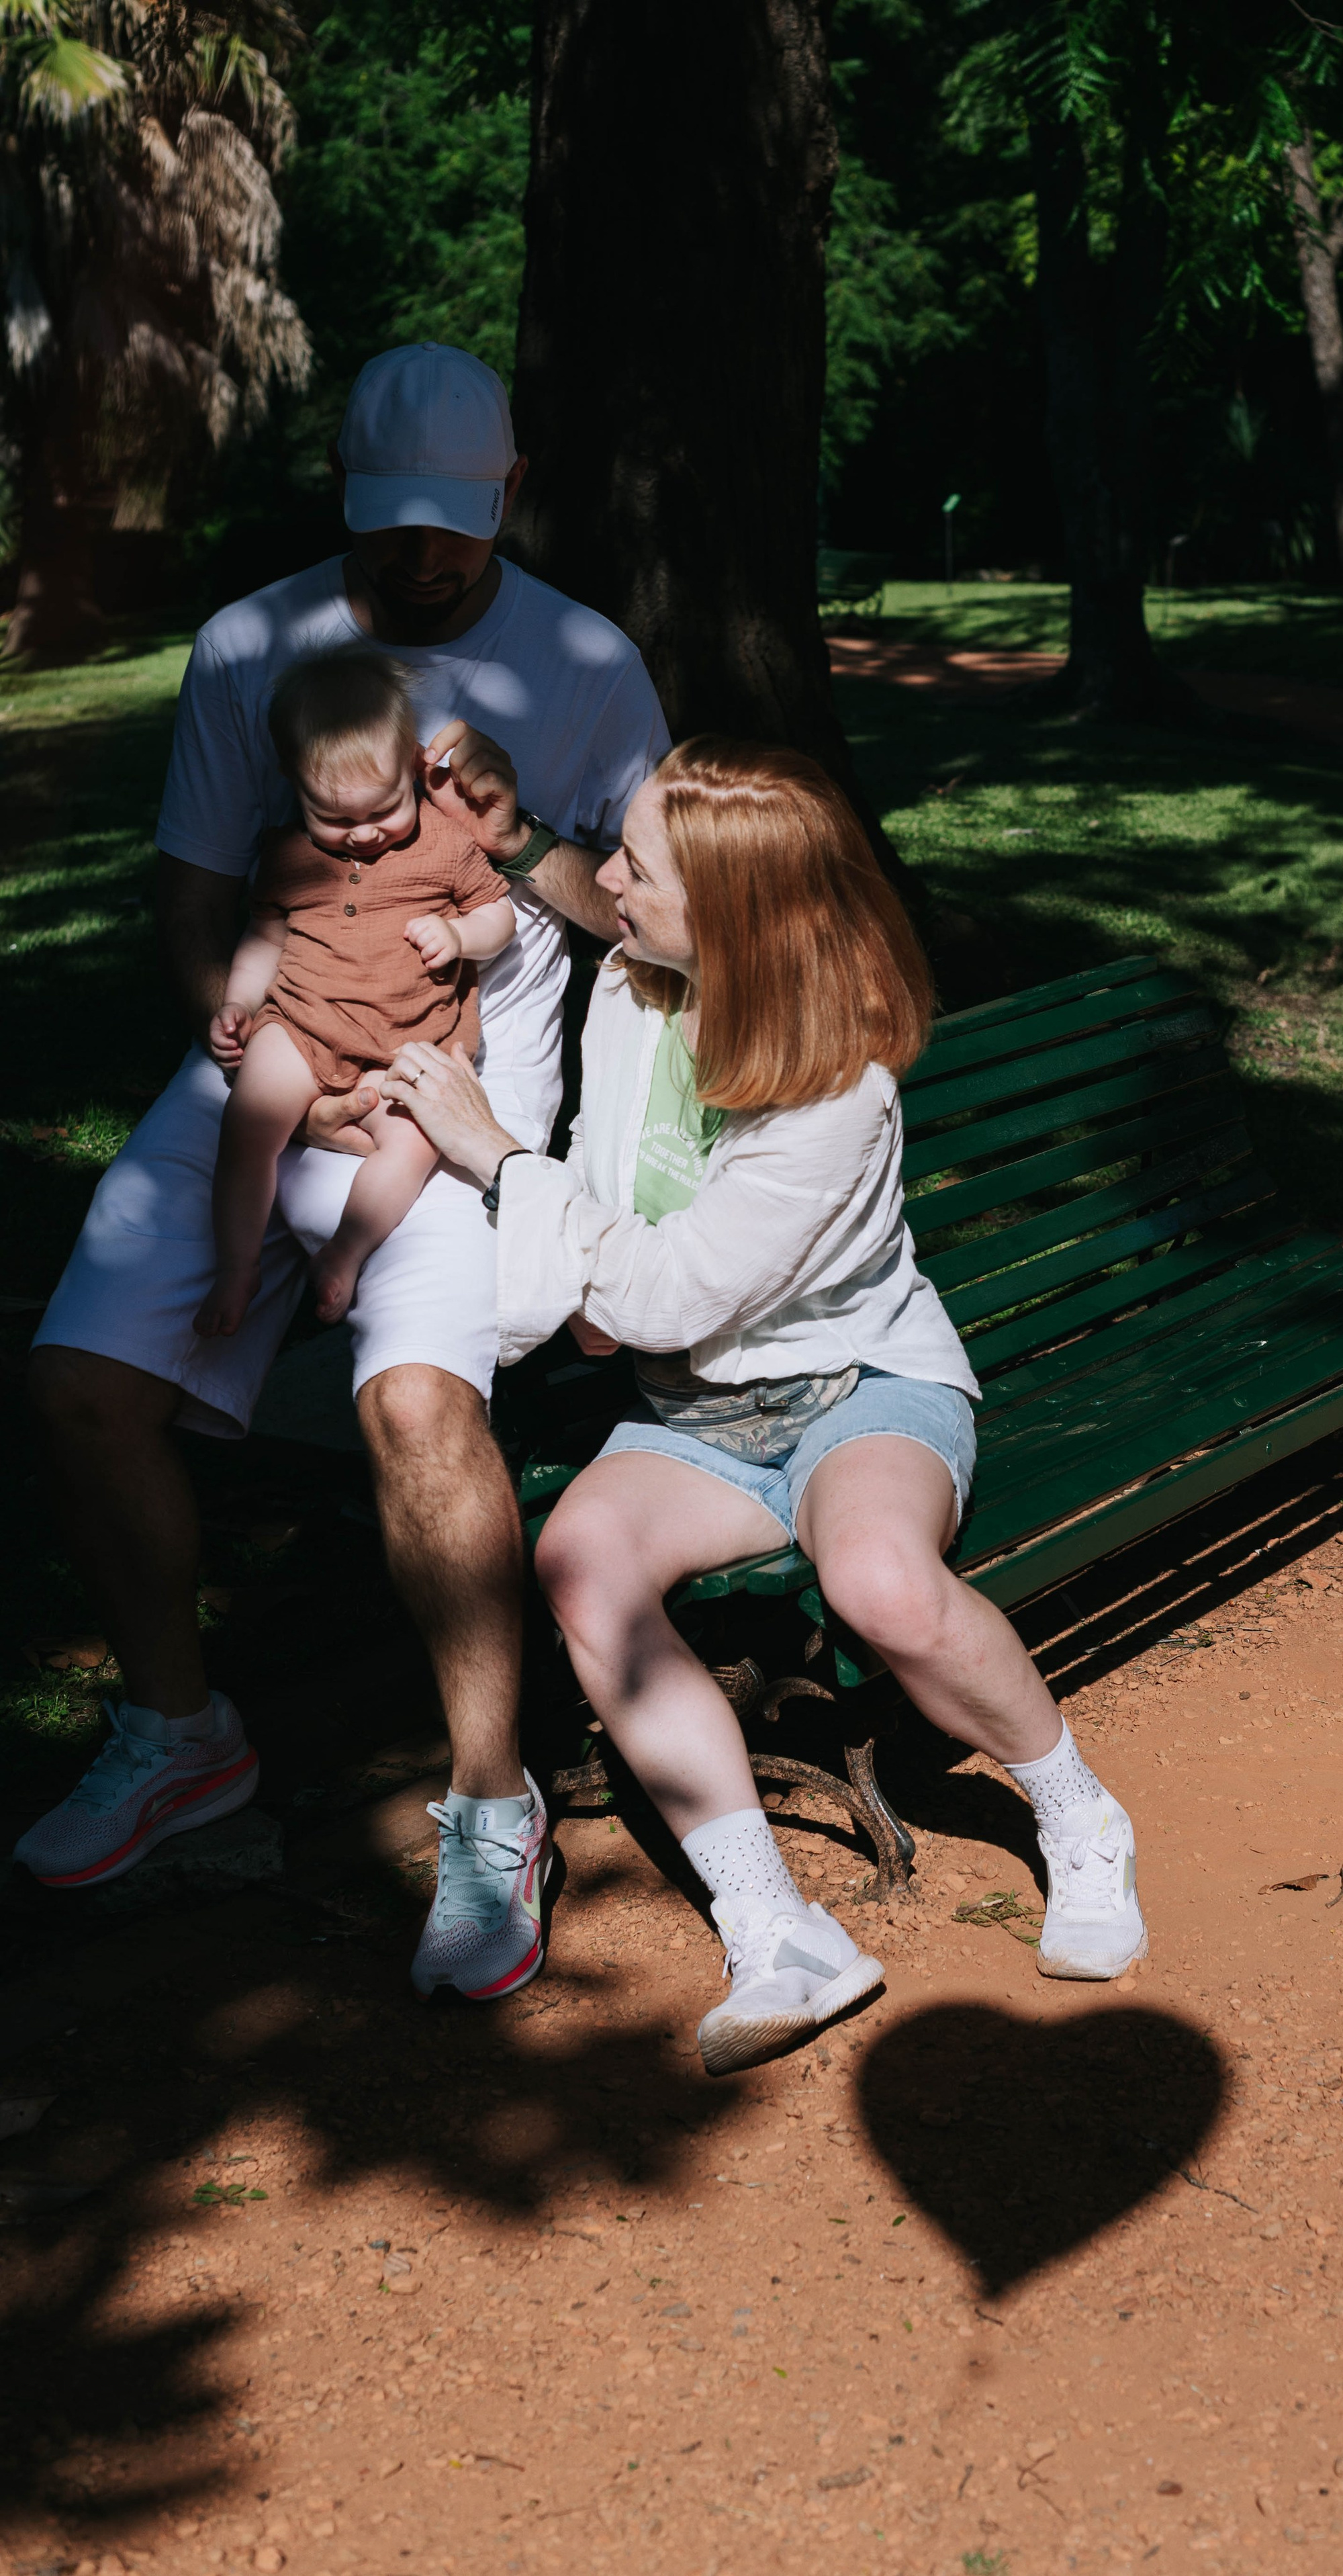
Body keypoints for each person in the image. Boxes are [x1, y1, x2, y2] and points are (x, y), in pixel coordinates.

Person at [23, 345, 669, 2010]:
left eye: (453, 530)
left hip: (459, 1099)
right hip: (270, 1061)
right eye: (392, 528)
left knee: (416, 1414)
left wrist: (520, 839)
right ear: (344, 497)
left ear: (505, 496)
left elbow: (640, 914)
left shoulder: (586, 662)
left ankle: (487, 1801)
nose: (421, 561)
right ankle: (182, 1734)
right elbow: (188, 890)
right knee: (81, 1380)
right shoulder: (253, 644)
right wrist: (252, 1050)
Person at [386, 737, 1146, 2074]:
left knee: (878, 1584)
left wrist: (499, 1163)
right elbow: (612, 1192)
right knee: (580, 1561)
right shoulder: (637, 980)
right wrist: (511, 844)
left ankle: (1074, 1807)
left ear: (732, 912)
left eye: (637, 863)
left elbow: (664, 1298)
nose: (605, 876)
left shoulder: (834, 1085)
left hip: (860, 1388)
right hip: (695, 1421)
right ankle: (775, 1926)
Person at [195, 652, 517, 1337]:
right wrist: (241, 1004)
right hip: (304, 1025)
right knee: (249, 1122)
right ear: (294, 784)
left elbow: (500, 917)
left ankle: (348, 1248)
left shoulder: (446, 845)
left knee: (412, 1143)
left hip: (412, 1044)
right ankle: (236, 1265)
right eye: (335, 819)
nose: (365, 833)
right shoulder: (286, 854)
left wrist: (460, 937)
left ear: (410, 764)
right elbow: (264, 940)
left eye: (384, 809)